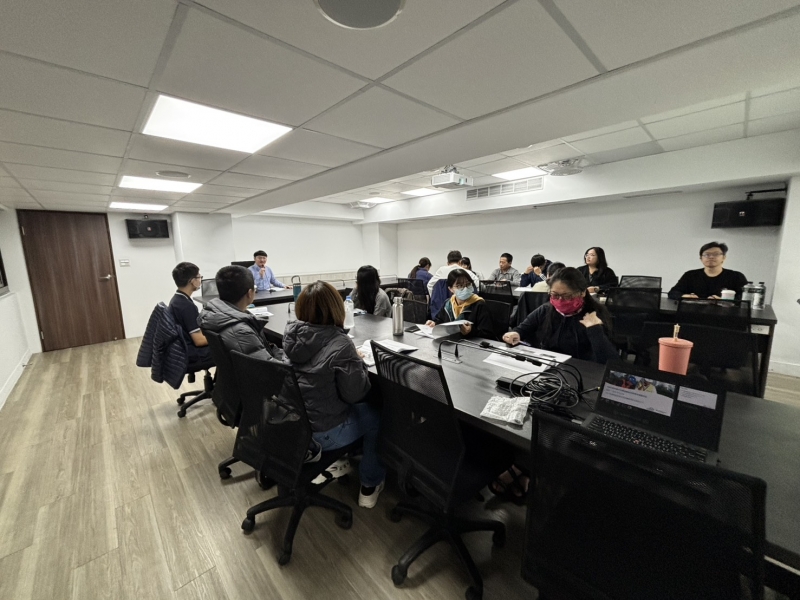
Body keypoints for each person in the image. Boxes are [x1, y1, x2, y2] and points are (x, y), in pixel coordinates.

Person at [283, 281, 386, 508]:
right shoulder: (340, 343)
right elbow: (355, 394)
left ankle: (339, 460)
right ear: (336, 308)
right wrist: (357, 361)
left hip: (294, 425)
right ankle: (370, 484)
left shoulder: (291, 335)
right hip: (323, 433)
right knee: (377, 417)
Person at [502, 266, 617, 364]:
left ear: (582, 292)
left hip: (580, 369)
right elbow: (522, 329)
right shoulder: (546, 310)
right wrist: (514, 334)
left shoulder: (594, 316)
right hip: (548, 365)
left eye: (567, 296)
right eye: (555, 295)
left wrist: (595, 330)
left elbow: (610, 361)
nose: (560, 300)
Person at [198, 265, 284, 362]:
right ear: (250, 293)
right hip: (255, 371)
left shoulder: (211, 314)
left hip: (233, 369)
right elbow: (269, 366)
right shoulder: (242, 331)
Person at [425, 268, 496, 339]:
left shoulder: (479, 305)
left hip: (469, 343)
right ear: (450, 289)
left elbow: (488, 333)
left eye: (468, 284)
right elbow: (440, 320)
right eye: (459, 286)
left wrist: (471, 331)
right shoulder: (448, 304)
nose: (465, 288)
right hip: (449, 342)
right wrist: (434, 323)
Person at [667, 241, 749, 300]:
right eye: (707, 255)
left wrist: (723, 300)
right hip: (694, 313)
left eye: (716, 254)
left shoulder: (736, 276)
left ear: (724, 258)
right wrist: (685, 296)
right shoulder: (690, 275)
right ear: (701, 258)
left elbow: (745, 298)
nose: (711, 257)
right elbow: (673, 293)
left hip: (725, 315)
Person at [168, 262, 212, 367]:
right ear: (192, 281)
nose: (200, 279)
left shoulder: (177, 299)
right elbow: (199, 341)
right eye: (199, 277)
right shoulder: (186, 306)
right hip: (192, 354)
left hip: (181, 349)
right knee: (228, 348)